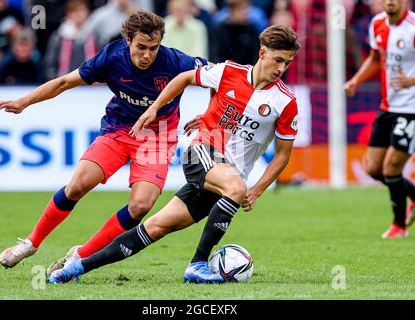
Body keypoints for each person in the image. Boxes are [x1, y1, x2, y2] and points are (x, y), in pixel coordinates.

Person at [48, 24, 300, 284]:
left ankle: (75, 268)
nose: (281, 69)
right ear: (262, 53)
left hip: (225, 178)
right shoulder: (228, 71)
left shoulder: (285, 102)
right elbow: (183, 78)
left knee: (156, 227)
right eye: (278, 60)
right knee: (236, 187)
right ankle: (198, 264)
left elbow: (282, 155)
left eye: (287, 63)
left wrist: (257, 190)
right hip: (202, 151)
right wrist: (154, 109)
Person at [0, 10, 207, 270]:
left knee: (141, 206)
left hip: (156, 139)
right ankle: (31, 243)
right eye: (141, 47)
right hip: (118, 131)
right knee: (76, 187)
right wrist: (24, 101)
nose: (147, 55)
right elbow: (64, 82)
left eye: (153, 48)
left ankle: (80, 255)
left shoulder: (175, 62)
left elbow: (221, 77)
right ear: (127, 39)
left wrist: (208, 115)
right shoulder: (112, 57)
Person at [344, 0, 415, 239]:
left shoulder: (413, 27)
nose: (390, 1)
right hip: (387, 107)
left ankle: (399, 226)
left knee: (392, 166)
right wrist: (356, 80)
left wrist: (411, 81)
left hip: (411, 109)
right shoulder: (377, 24)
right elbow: (376, 58)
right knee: (374, 168)